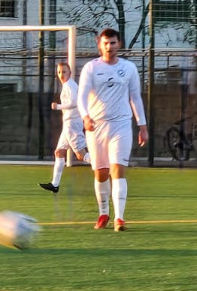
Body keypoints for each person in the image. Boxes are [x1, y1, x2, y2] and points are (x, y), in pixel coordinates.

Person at [77, 28, 148, 231]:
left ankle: (120, 218)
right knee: (101, 173)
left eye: (113, 43)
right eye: (106, 43)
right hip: (96, 126)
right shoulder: (91, 68)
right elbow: (81, 97)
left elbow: (135, 97)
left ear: (119, 44)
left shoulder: (129, 68)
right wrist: (85, 117)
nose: (110, 47)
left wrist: (142, 126)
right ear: (100, 44)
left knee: (118, 170)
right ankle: (103, 213)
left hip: (121, 125)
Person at [40, 62, 88, 192]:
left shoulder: (70, 85)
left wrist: (58, 106)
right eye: (59, 72)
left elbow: (75, 102)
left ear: (70, 73)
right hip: (69, 123)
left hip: (72, 123)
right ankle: (55, 185)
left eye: (64, 71)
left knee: (80, 155)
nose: (61, 74)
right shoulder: (68, 85)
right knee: (59, 152)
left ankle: (104, 165)